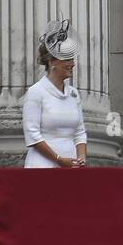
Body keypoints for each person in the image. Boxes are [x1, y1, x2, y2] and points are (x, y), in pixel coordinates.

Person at [22, 19, 88, 168]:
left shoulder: (74, 94)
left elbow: (79, 131)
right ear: (52, 61)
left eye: (72, 59)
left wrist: (81, 157)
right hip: (42, 166)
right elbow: (32, 135)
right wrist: (58, 159)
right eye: (67, 59)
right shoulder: (35, 92)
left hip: (71, 166)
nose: (72, 64)